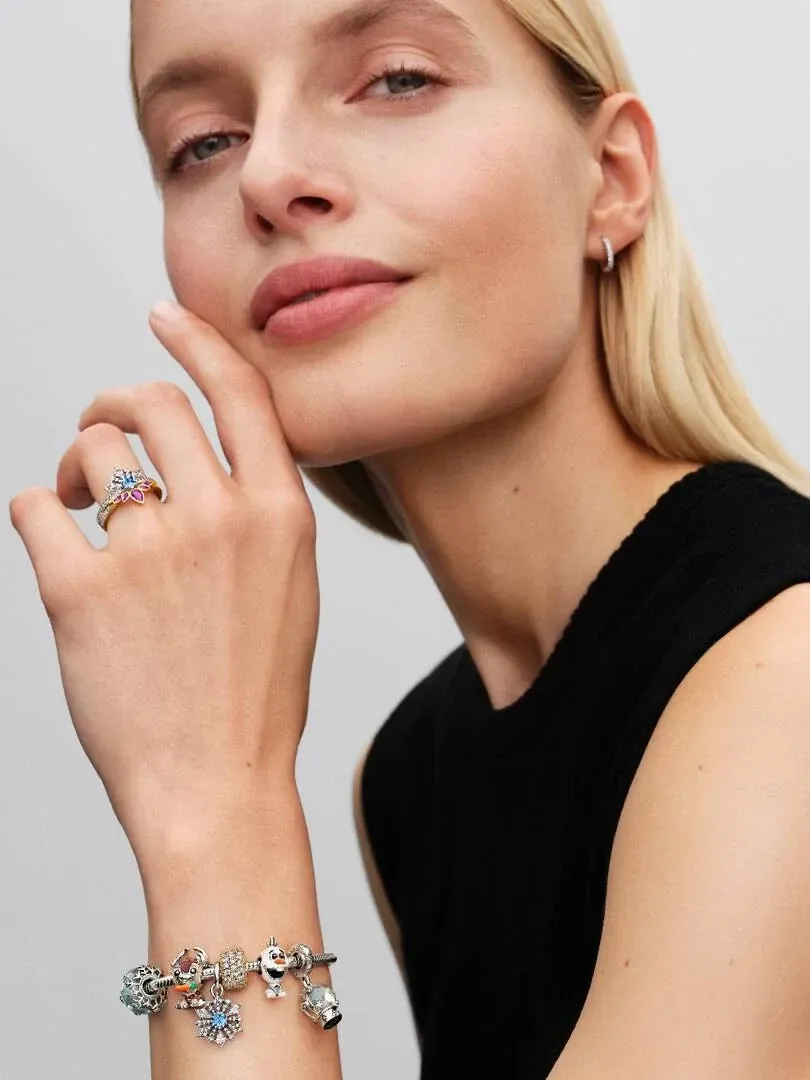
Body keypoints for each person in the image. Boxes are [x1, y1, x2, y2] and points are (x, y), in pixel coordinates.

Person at [9, 0, 810, 1077]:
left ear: (611, 176)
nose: (266, 176)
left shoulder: (787, 679)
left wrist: (214, 805)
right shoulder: (415, 774)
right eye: (203, 141)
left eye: (396, 78)